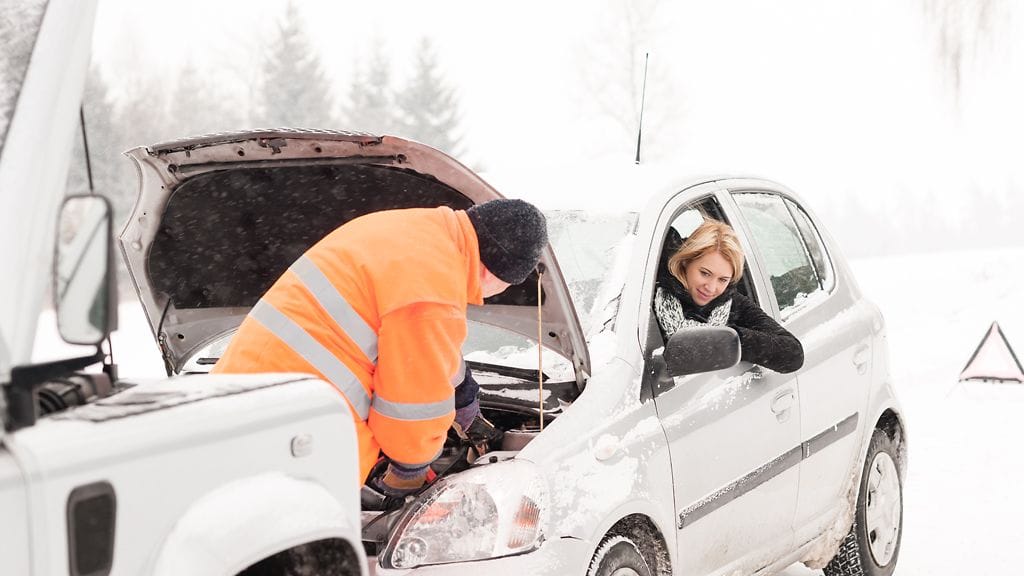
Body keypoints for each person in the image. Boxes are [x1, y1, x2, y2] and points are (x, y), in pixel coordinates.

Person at [213, 199, 548, 497]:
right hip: (298, 431)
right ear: (496, 272)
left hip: (232, 398)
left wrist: (464, 395)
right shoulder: (435, 287)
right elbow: (411, 404)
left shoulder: (413, 231)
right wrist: (411, 470)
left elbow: (420, 343)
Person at [654, 219, 803, 373]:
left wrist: (728, 340)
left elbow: (793, 353)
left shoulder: (731, 303)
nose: (711, 288)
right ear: (685, 262)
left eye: (722, 280)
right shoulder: (648, 297)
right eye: (705, 273)